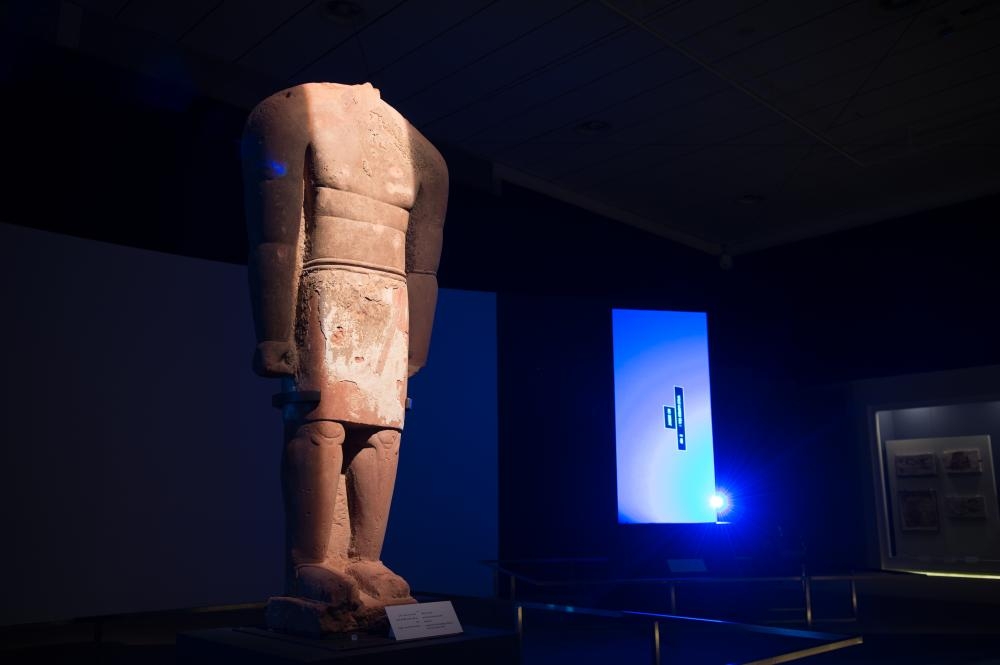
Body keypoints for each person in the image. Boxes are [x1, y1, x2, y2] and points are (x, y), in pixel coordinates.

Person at [241, 82, 447, 633]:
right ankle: (312, 560)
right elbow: (276, 237)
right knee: (322, 424)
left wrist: (415, 350)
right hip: (325, 285)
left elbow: (422, 268)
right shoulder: (295, 110)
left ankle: (366, 557)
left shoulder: (425, 156)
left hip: (389, 302)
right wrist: (275, 332)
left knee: (383, 435)